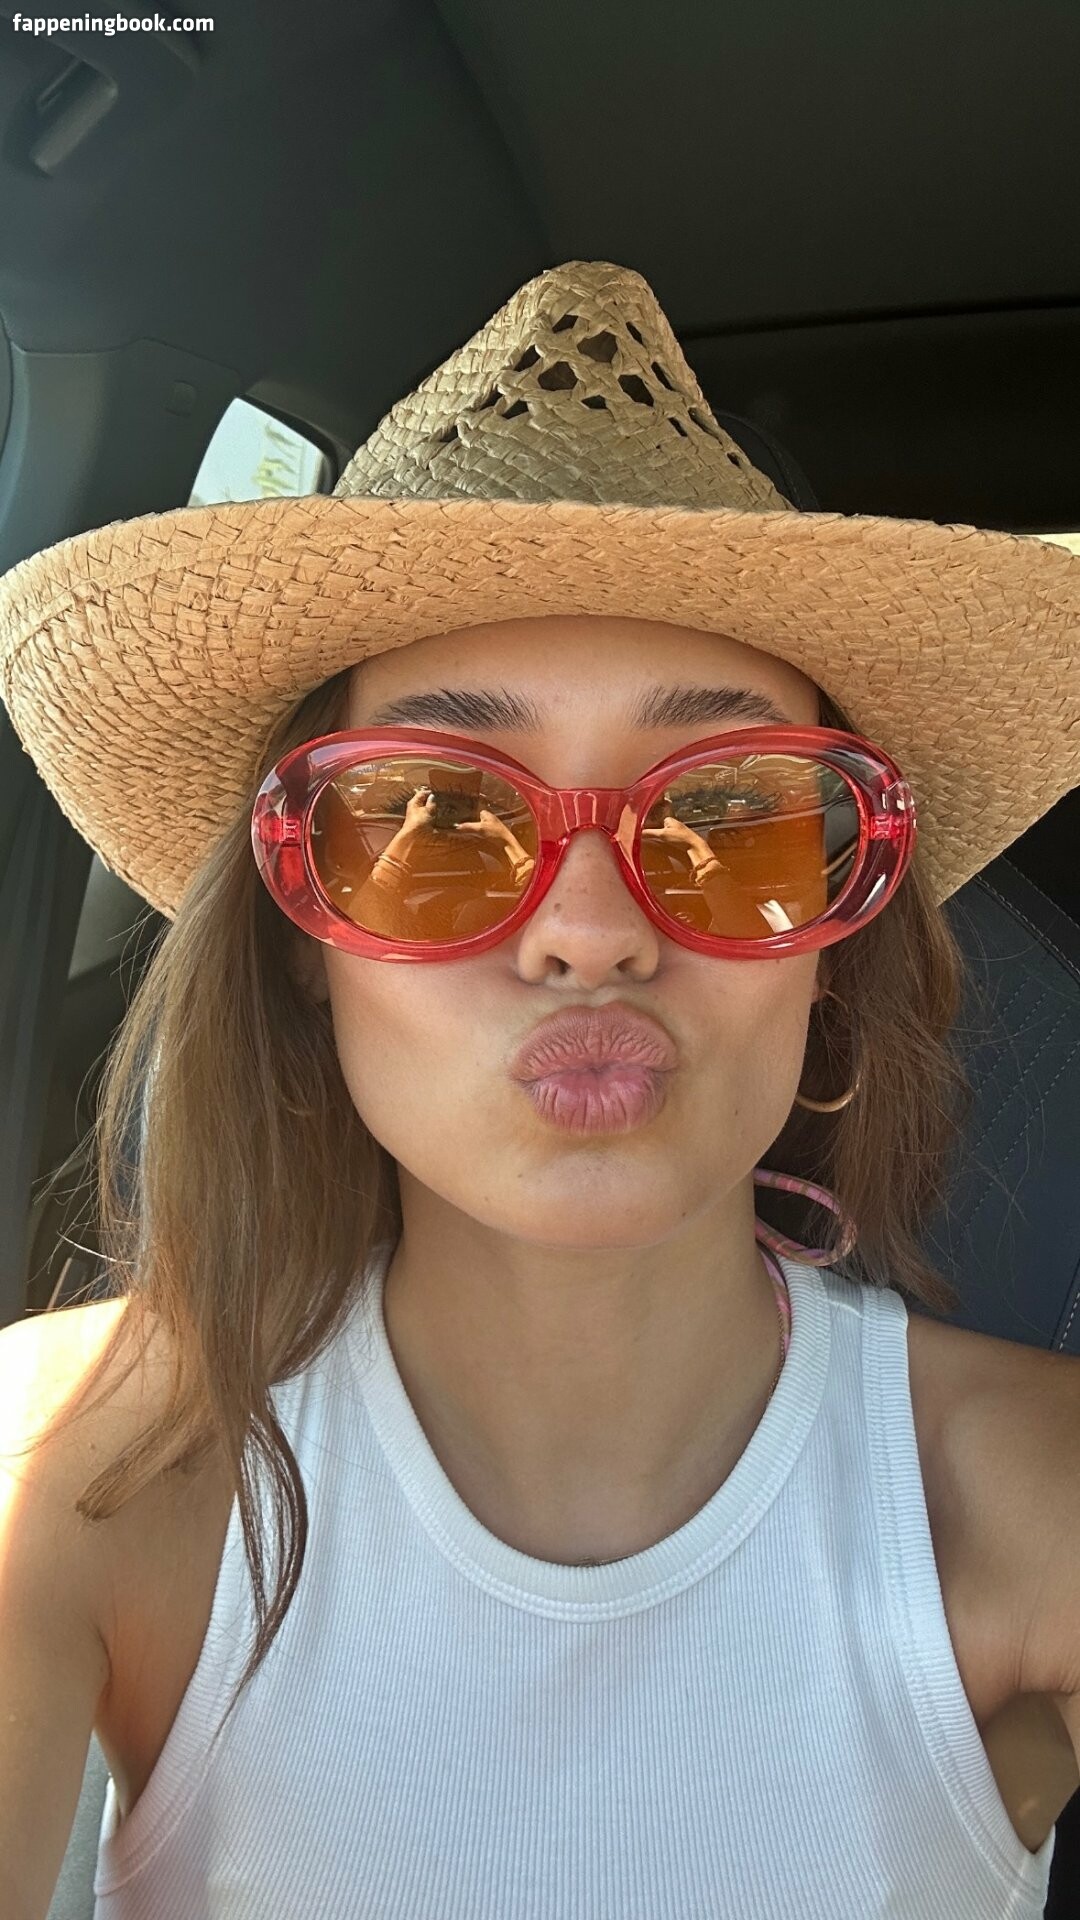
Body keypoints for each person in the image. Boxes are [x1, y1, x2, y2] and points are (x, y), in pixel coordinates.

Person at [1, 260, 1078, 1920]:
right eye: (432, 823)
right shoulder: (64, 1471)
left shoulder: (1030, 1492)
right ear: (300, 935)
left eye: (731, 821)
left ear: (834, 939)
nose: (591, 931)